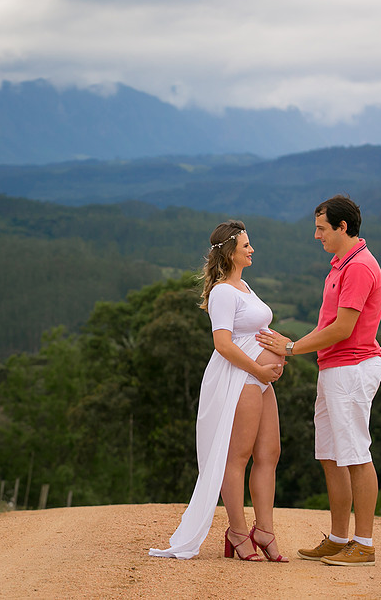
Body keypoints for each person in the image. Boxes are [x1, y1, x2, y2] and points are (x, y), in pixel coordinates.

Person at [256, 195, 381, 567]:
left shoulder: (358, 266)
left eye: (321, 228)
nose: (317, 235)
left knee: (356, 454)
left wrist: (292, 347)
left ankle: (364, 544)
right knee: (331, 456)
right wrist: (290, 346)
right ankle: (340, 538)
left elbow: (342, 329)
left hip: (352, 368)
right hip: (334, 369)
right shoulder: (341, 264)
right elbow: (328, 325)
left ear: (342, 227)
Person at [150, 220, 288, 562]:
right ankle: (238, 531)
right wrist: (258, 369)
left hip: (260, 379)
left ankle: (265, 530)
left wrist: (282, 348)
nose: (252, 249)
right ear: (230, 252)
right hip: (242, 377)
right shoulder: (223, 291)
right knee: (237, 456)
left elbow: (256, 330)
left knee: (269, 453)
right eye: (245, 246)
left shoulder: (245, 287)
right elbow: (223, 344)